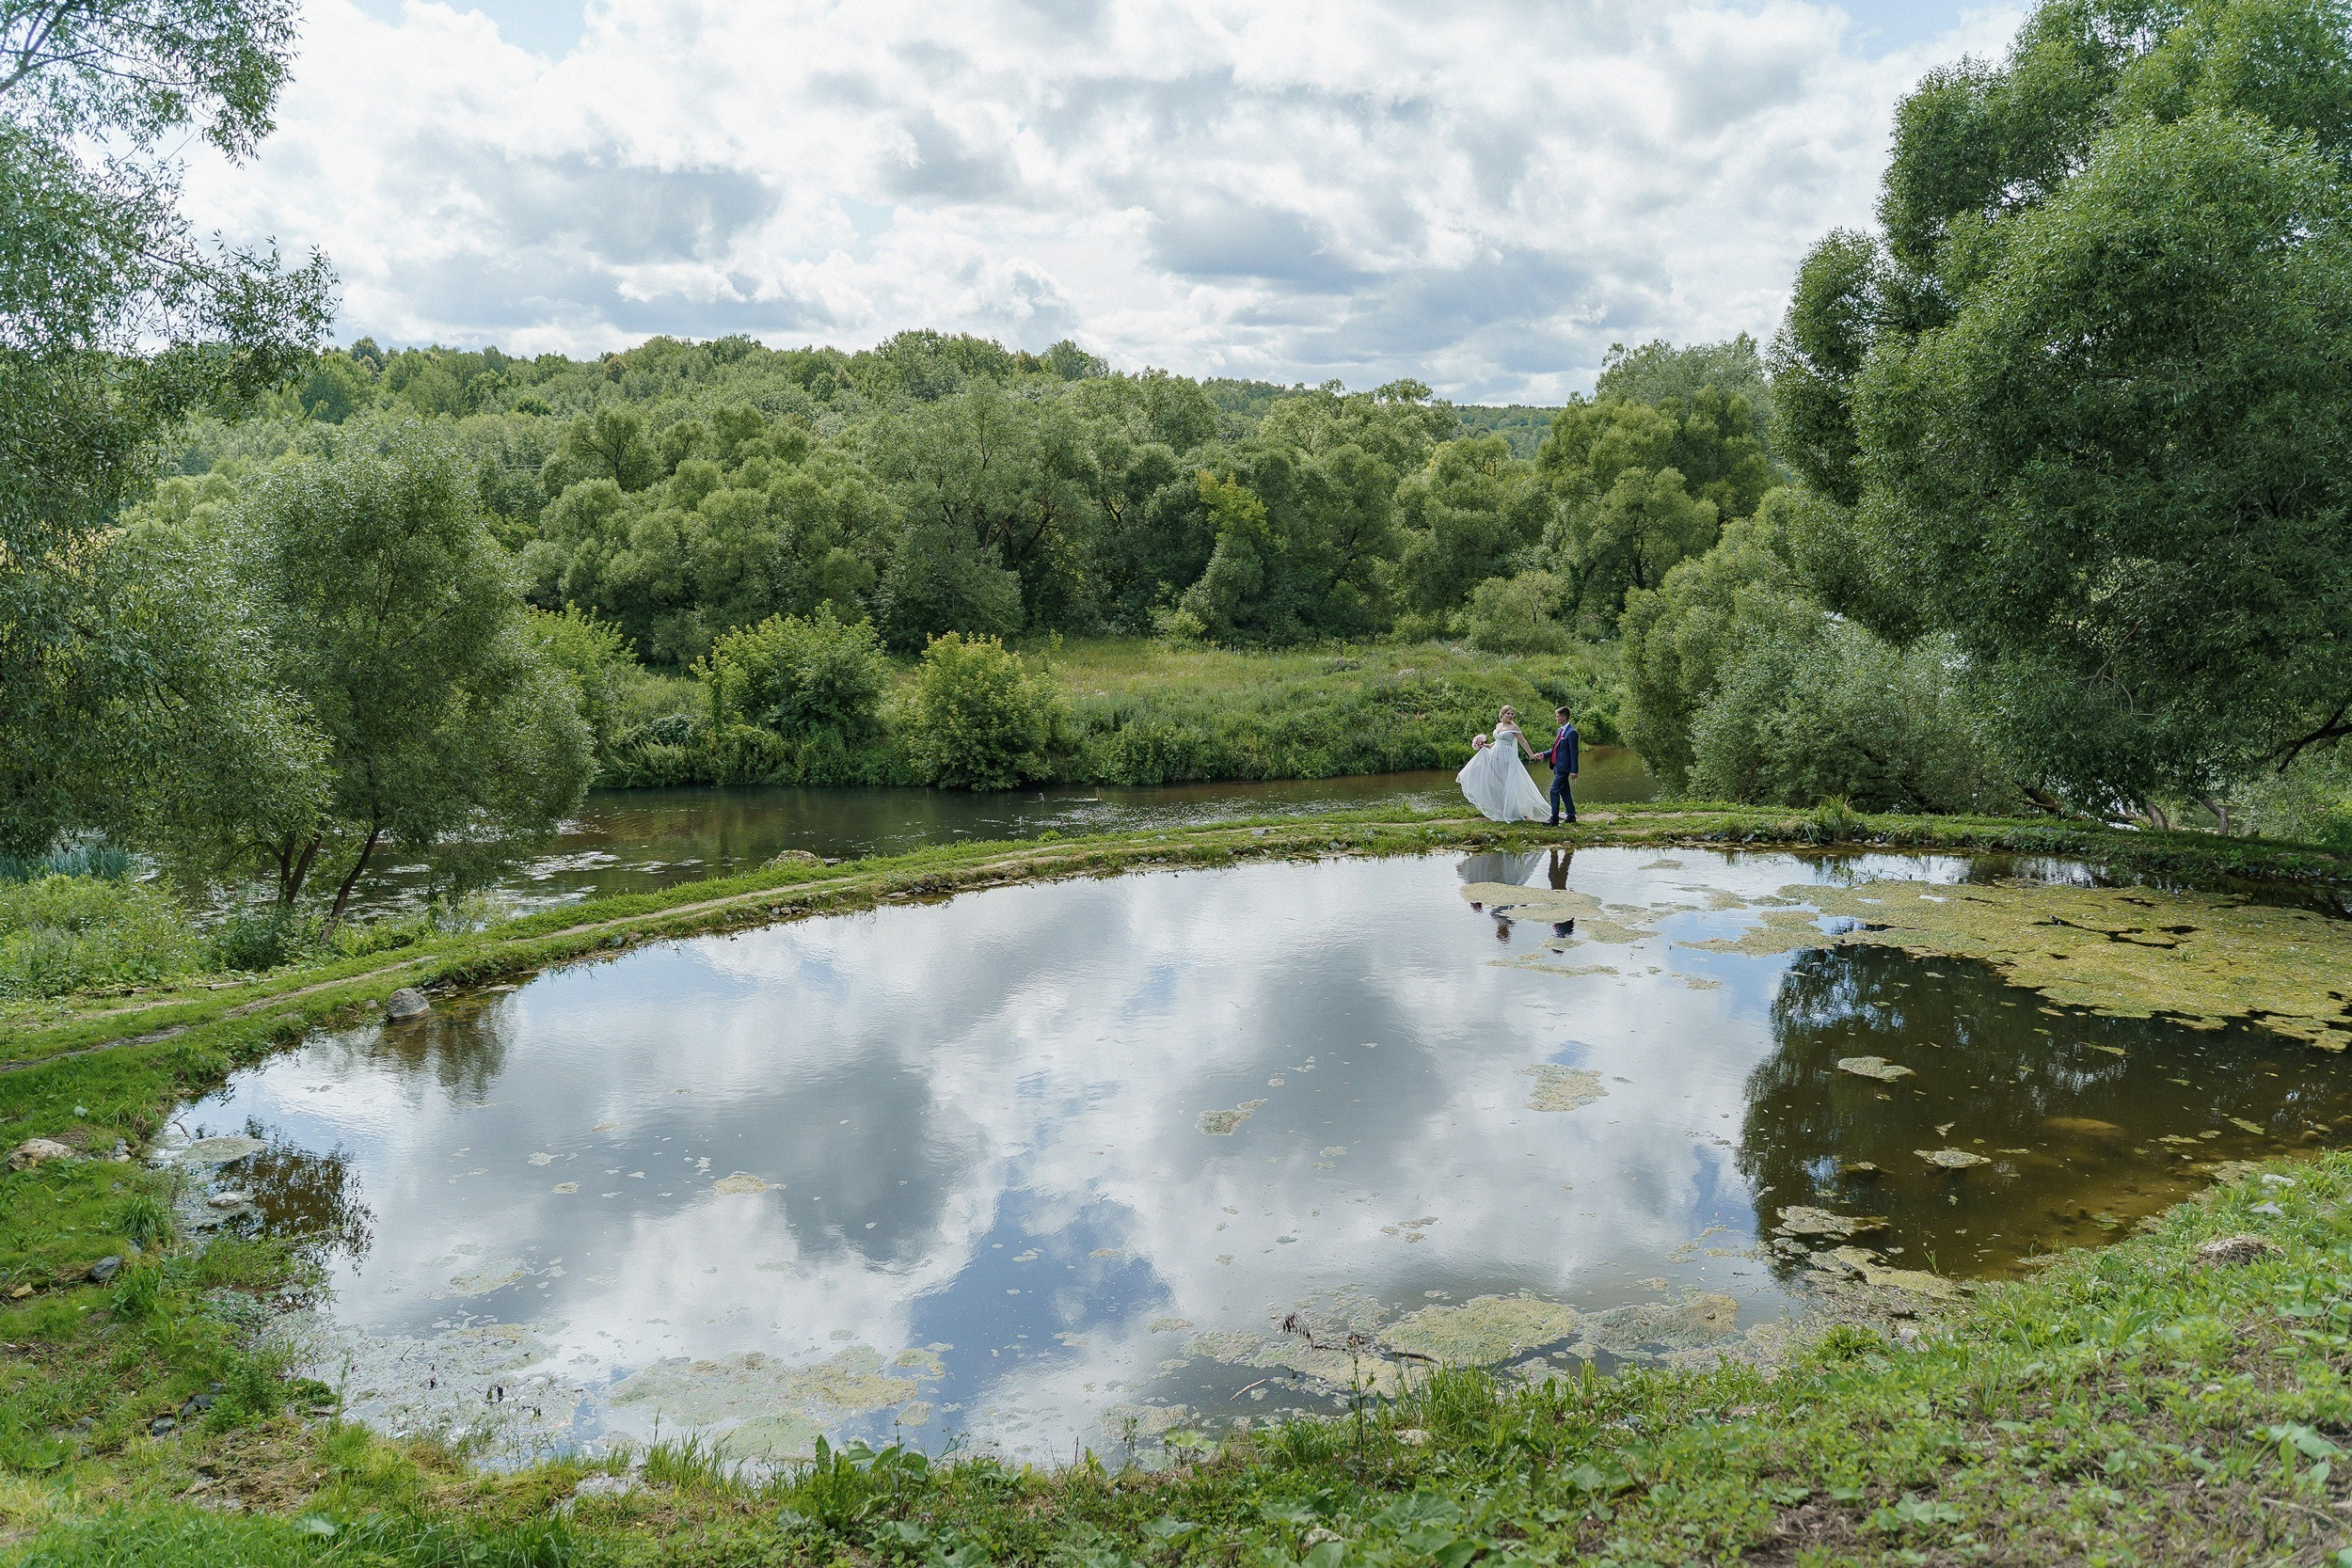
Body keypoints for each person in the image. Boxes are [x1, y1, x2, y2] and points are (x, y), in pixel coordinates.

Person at [1456, 705, 1552, 822]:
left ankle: (1515, 810)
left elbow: (1523, 741)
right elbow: (1497, 741)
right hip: (1494, 755)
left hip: (1506, 756)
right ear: (1502, 714)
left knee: (1507, 782)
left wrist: (1531, 755)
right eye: (1508, 713)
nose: (1511, 716)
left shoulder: (1514, 727)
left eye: (1512, 714)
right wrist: (1486, 745)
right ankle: (1500, 808)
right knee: (1493, 780)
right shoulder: (1498, 725)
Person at [1543, 705, 1580, 826]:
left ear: (1564, 717)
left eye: (1557, 716)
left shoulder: (1572, 732)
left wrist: (1574, 770)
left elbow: (1574, 753)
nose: (1556, 718)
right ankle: (1571, 815)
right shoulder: (1560, 730)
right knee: (1565, 792)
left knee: (1553, 790)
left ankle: (1554, 818)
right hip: (1556, 766)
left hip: (1564, 768)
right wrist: (1544, 754)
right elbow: (1556, 749)